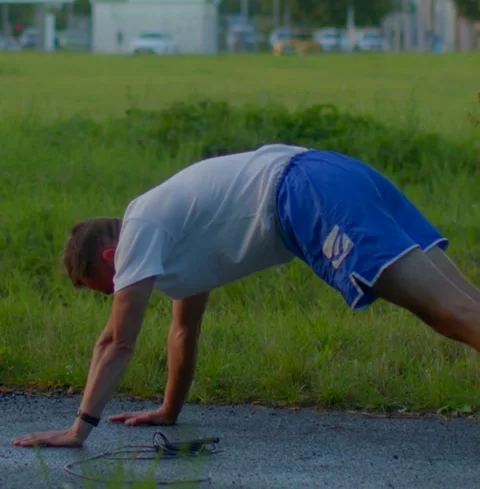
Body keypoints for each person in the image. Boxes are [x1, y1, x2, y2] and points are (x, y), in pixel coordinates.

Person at [13, 145, 480, 448]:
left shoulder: (140, 230)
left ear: (112, 256)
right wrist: (169, 411)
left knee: (450, 312)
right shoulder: (174, 237)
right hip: (333, 170)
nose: (122, 296)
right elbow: (183, 331)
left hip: (307, 191)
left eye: (112, 287)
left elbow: (116, 342)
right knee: (465, 306)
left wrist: (78, 429)